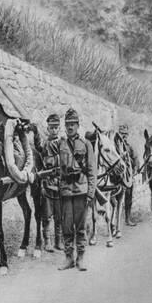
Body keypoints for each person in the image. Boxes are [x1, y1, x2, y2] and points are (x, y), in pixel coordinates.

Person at [57, 108, 96, 272]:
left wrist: (91, 193)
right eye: (68, 124)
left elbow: (92, 170)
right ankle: (68, 258)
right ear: (65, 126)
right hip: (66, 191)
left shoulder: (86, 144)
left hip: (81, 190)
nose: (70, 127)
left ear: (78, 125)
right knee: (66, 226)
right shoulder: (60, 144)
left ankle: (80, 258)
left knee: (80, 227)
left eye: (73, 124)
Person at [37, 114, 63, 251]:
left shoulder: (63, 143)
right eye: (51, 128)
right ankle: (47, 241)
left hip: (60, 184)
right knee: (47, 215)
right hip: (47, 183)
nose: (53, 130)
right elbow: (41, 163)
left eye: (56, 128)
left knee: (59, 216)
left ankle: (59, 241)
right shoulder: (44, 144)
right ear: (47, 128)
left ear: (59, 128)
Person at [118, 124, 140, 226]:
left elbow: (135, 158)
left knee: (128, 197)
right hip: (117, 175)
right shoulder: (115, 145)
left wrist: (135, 170)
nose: (124, 136)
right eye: (122, 134)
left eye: (126, 134)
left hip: (128, 175)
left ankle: (127, 218)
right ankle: (114, 222)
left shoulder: (130, 146)